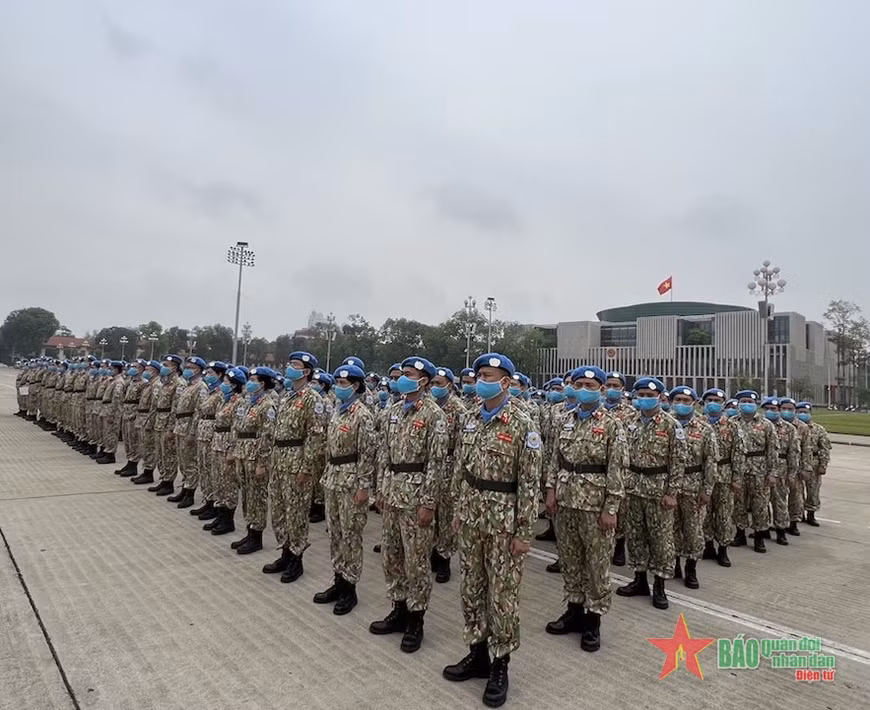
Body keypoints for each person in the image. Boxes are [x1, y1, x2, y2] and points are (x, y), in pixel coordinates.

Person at [443, 353, 540, 708]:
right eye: (478, 374)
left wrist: (523, 532)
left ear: (506, 382)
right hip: (471, 517)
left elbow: (530, 483)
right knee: (471, 587)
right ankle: (477, 653)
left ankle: (500, 664)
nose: (479, 380)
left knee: (502, 595)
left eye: (487, 375)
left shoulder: (522, 423)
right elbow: (460, 468)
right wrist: (457, 510)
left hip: (503, 522)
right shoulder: (469, 418)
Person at [544, 366, 627, 652]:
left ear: (601, 390)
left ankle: (593, 619)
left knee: (597, 564)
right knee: (570, 559)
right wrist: (550, 490)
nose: (583, 389)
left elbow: (618, 469)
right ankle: (574, 609)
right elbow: (555, 459)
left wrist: (611, 508)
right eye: (579, 384)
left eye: (590, 385)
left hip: (595, 505)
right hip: (566, 500)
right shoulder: (564, 420)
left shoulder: (613, 425)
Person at [370, 356, 447, 654]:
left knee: (416, 561)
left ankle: (416, 619)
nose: (402, 377)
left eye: (409, 374)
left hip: (416, 497)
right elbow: (383, 454)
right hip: (392, 494)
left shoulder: (433, 415)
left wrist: (428, 503)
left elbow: (436, 464)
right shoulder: (392, 411)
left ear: (424, 380)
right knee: (391, 555)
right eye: (401, 373)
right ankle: (398, 607)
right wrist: (380, 490)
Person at [616, 377, 686, 610]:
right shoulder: (629, 421)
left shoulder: (671, 425)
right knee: (635, 536)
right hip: (633, 486)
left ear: (660, 398)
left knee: (660, 539)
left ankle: (659, 585)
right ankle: (639, 580)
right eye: (641, 395)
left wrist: (672, 493)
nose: (645, 399)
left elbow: (678, 462)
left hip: (658, 489)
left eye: (650, 395)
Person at [313, 364, 375, 614]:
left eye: (343, 383)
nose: (339, 387)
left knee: (351, 536)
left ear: (356, 386)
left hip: (351, 481)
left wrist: (364, 487)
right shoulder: (338, 412)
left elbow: (367, 455)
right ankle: (338, 580)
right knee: (336, 533)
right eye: (337, 382)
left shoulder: (363, 415)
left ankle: (350, 587)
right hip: (333, 479)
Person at [263, 352, 327, 583]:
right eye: (289, 364)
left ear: (306, 372)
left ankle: (296, 559)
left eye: (295, 365)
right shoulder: (286, 396)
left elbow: (315, 436)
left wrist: (306, 468)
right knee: (279, 510)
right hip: (280, 460)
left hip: (296, 461)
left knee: (296, 512)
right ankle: (285, 552)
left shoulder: (312, 399)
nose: (290, 368)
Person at [669, 386, 718, 589]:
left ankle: (691, 567)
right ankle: (674, 564)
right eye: (677, 399)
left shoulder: (704, 428)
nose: (681, 403)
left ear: (695, 403)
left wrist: (707, 489)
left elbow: (711, 461)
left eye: (686, 400)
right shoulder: (666, 424)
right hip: (670, 487)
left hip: (693, 486)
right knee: (670, 529)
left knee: (693, 529)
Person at [228, 366, 278, 555]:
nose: (250, 382)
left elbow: (267, 436)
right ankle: (249, 531)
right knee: (248, 496)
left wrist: (262, 463)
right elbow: (238, 428)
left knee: (257, 496)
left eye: (254, 379)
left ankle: (256, 536)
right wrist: (233, 450)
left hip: (254, 456)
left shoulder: (267, 405)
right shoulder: (249, 403)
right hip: (242, 453)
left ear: (262, 383)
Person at [430, 366, 467, 583]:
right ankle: (432, 550)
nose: (435, 388)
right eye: (433, 383)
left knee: (445, 514)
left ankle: (444, 557)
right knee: (430, 511)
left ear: (450, 386)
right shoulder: (428, 407)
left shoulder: (458, 409)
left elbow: (462, 444)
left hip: (450, 463)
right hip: (431, 465)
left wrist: (457, 474)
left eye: (439, 384)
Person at [731, 391, 778, 553]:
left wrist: (772, 473)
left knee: (760, 505)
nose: (747, 404)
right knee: (739, 504)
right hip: (738, 470)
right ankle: (740, 533)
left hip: (760, 471)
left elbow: (772, 450)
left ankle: (759, 536)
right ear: (738, 403)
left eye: (750, 401)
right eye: (743, 401)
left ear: (756, 403)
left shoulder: (766, 425)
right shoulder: (731, 423)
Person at [206, 367, 248, 535]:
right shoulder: (225, 399)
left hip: (227, 446)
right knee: (218, 480)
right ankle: (220, 513)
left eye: (226, 382)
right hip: (218, 442)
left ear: (234, 385)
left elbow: (237, 428)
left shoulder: (240, 402)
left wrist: (232, 449)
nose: (223, 385)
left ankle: (228, 519)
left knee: (228, 483)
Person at [700, 388, 739, 567]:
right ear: (704, 403)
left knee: (724, 514)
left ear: (723, 404)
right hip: (701, 476)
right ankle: (708, 546)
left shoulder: (732, 426)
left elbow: (738, 454)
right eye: (710, 400)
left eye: (717, 400)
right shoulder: (697, 424)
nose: (713, 403)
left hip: (724, 474)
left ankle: (723, 549)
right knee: (704, 513)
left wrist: (737, 478)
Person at [190, 361, 229, 519]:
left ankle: (214, 503)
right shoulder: (211, 391)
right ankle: (208, 499)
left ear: (219, 375)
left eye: (211, 373)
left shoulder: (221, 392)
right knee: (204, 468)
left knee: (213, 471)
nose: (207, 375)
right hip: (203, 431)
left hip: (213, 434)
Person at [169, 356, 209, 509]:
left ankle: (190, 493)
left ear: (197, 370)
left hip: (188, 428)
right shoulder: (187, 385)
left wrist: (193, 432)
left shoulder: (201, 387)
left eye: (190, 367)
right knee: (183, 460)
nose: (186, 370)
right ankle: (185, 488)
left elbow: (199, 412)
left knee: (190, 462)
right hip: (180, 426)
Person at [762, 397, 799, 546]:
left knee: (779, 501)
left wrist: (792, 473)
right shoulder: (760, 426)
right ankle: (762, 528)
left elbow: (793, 452)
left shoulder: (789, 428)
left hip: (781, 466)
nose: (771, 412)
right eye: (768, 409)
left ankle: (781, 530)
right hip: (760, 466)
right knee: (761, 501)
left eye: (774, 409)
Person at [149, 354, 186, 496]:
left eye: (166, 366)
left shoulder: (179, 384)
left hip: (167, 423)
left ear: (174, 368)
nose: (163, 368)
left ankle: (169, 482)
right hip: (159, 421)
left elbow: (175, 408)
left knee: (169, 454)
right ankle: (163, 479)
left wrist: (171, 428)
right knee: (161, 453)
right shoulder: (165, 383)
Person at [795, 402, 831, 526]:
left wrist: (823, 464)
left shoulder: (818, 429)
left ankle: (811, 514)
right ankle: (799, 515)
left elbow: (824, 448)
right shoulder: (792, 428)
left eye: (805, 412)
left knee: (813, 490)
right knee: (797, 491)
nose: (802, 414)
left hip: (814, 463)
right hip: (797, 462)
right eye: (800, 411)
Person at [778, 398, 809, 535]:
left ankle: (793, 522)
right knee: (776, 497)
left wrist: (805, 468)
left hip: (795, 467)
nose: (787, 411)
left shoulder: (802, 427)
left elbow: (806, 449)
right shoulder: (774, 425)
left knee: (795, 496)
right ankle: (775, 524)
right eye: (784, 408)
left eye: (790, 409)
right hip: (778, 466)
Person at [131, 361, 162, 485]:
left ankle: (149, 472)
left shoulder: (156, 385)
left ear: (155, 371)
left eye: (148, 369)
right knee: (143, 445)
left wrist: (151, 422)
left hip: (149, 419)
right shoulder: (148, 385)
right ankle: (145, 470)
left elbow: (155, 406)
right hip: (142, 417)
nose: (145, 372)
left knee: (149, 447)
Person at [115, 359, 147, 476]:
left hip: (135, 415)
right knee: (127, 439)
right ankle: (129, 462)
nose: (132, 368)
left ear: (142, 369)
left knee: (134, 440)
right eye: (132, 366)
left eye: (136, 367)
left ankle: (133, 465)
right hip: (127, 413)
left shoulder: (144, 383)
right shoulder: (130, 382)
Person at [97, 361, 126, 465]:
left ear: (117, 370)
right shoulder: (113, 381)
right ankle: (106, 452)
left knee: (111, 433)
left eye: (111, 369)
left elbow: (117, 399)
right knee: (106, 432)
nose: (109, 371)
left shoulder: (119, 382)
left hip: (112, 411)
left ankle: (110, 455)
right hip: (107, 409)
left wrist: (112, 414)